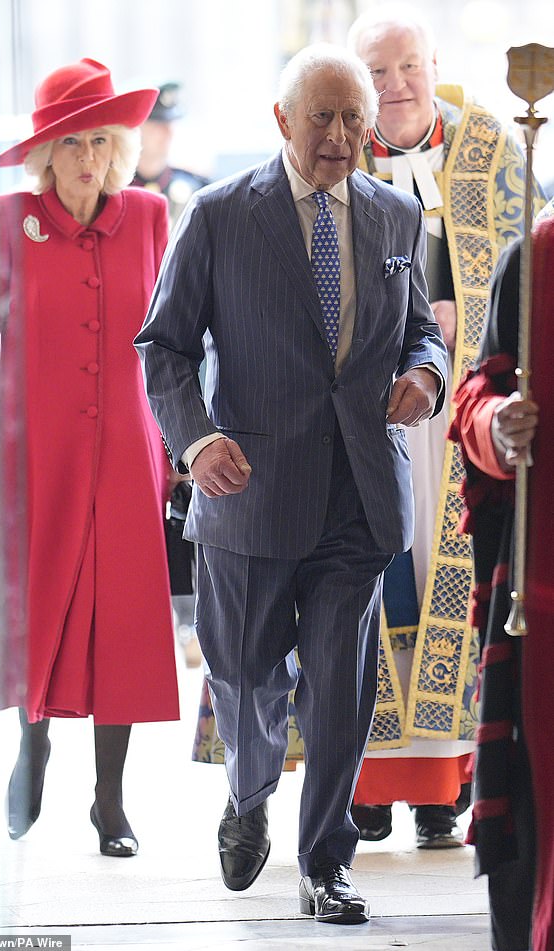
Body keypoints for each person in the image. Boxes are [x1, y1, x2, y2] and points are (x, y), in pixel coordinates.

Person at [135, 44, 447, 923]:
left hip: (360, 493)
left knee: (342, 687)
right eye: (325, 117)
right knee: (243, 674)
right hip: (250, 491)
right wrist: (195, 442)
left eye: (355, 118)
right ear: (282, 120)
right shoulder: (220, 215)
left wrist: (425, 376)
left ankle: (325, 861)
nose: (344, 136)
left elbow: (422, 332)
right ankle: (247, 794)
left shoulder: (393, 217)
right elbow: (162, 347)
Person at [307, 3, 546, 848]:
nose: (395, 85)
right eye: (376, 73)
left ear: (435, 64)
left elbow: (527, 266)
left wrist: (463, 318)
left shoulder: (489, 149)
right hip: (364, 407)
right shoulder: (327, 149)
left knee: (449, 576)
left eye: (409, 67)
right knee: (368, 578)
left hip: (461, 414)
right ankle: (366, 781)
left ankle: (446, 783)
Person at [0, 58, 179, 856]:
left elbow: (175, 339)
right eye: (71, 141)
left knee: (123, 619)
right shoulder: (11, 217)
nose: (88, 155)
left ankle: (110, 802)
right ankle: (34, 742)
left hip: (128, 444)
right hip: (37, 447)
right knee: (40, 605)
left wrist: (184, 437)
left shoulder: (150, 215)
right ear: (47, 152)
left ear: (117, 146)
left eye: (100, 140)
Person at [449, 213, 554, 951]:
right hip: (543, 589)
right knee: (529, 810)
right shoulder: (537, 259)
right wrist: (499, 426)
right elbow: (477, 397)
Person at [132, 80, 210, 669]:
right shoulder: (117, 196)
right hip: (136, 360)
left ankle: (186, 616)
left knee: (182, 486)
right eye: (150, 126)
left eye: (165, 126)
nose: (158, 136)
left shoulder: (192, 191)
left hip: (187, 357)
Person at [132, 82, 210, 227]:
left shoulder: (196, 188)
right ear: (134, 129)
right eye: (158, 125)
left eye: (170, 124)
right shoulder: (111, 190)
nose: (168, 133)